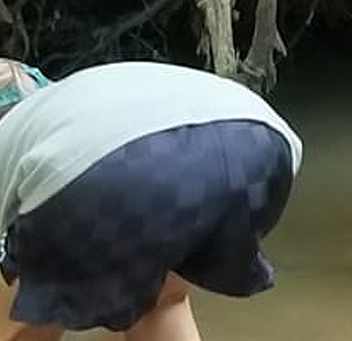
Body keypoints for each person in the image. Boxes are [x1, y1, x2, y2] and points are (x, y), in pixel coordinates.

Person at [0, 59, 302, 341]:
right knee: (162, 304)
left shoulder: (16, 137)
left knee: (29, 314)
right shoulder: (73, 98)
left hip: (109, 168)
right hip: (264, 143)